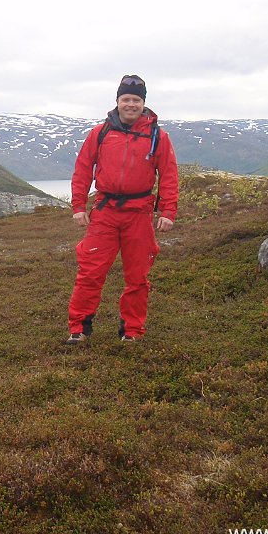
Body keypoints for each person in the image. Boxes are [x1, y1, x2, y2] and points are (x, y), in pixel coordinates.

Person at [64, 74, 178, 344]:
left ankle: (132, 331)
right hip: (105, 211)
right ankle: (78, 328)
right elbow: (83, 169)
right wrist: (79, 205)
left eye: (136, 100)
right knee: (90, 271)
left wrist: (167, 211)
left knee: (138, 277)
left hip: (139, 213)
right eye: (125, 99)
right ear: (117, 101)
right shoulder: (100, 132)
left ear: (143, 103)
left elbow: (169, 175)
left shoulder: (158, 136)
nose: (130, 104)